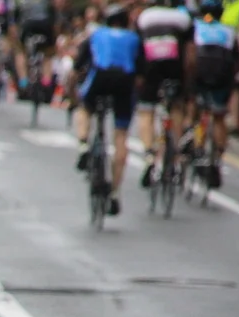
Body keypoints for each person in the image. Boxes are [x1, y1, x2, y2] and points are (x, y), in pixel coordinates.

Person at [74, 3, 144, 216]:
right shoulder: (134, 39)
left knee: (84, 108)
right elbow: (141, 72)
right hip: (124, 81)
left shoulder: (97, 34)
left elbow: (79, 64)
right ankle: (114, 192)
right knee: (121, 134)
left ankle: (83, 144)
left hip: (101, 77)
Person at [135, 0, 194, 189]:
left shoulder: (144, 17)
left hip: (151, 64)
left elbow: (138, 47)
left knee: (146, 110)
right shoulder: (183, 18)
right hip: (174, 66)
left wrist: (139, 76)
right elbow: (190, 54)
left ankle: (149, 154)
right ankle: (174, 154)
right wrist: (188, 80)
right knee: (176, 107)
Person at [185, 0, 239, 188]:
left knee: (194, 102)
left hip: (200, 71)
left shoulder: (195, 26)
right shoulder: (229, 31)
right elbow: (236, 59)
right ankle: (217, 157)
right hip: (222, 74)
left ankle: (192, 132)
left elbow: (189, 54)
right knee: (218, 115)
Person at [15, 0, 61, 101]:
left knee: (20, 52)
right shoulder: (48, 3)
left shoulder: (23, 2)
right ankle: (46, 81)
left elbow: (17, 20)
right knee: (48, 54)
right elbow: (55, 22)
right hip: (45, 25)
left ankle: (23, 81)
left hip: (28, 25)